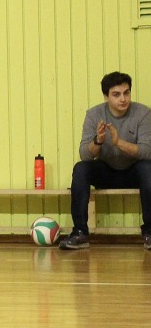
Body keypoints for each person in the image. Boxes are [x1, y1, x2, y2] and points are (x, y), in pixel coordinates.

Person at [60, 71, 151, 250]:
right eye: (116, 94)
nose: (123, 99)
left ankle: (150, 231)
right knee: (81, 168)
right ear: (106, 96)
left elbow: (148, 152)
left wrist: (119, 142)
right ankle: (80, 232)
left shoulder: (143, 113)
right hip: (107, 172)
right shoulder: (94, 115)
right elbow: (85, 154)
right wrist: (98, 141)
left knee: (149, 168)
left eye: (126, 93)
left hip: (134, 172)